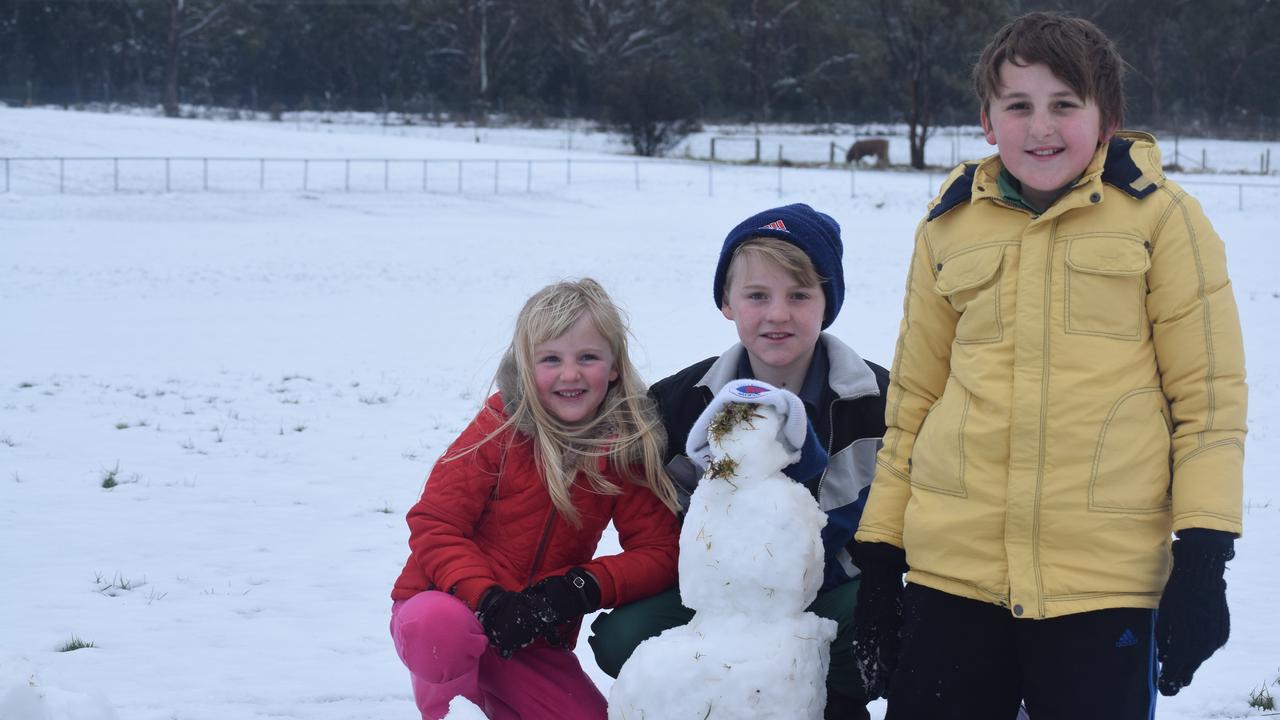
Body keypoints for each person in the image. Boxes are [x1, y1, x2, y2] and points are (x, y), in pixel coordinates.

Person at [851, 11, 1247, 720]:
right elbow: (913, 403)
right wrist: (881, 559)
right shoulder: (947, 225)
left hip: (1102, 583)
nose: (1041, 127)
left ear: (1107, 118)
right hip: (955, 575)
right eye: (1019, 105)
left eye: (1065, 104)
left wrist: (1203, 561)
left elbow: (1209, 404)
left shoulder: (1163, 219)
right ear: (986, 120)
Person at [588, 203, 891, 720]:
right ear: (726, 302)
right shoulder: (680, 402)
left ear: (828, 303)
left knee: (888, 636)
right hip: (723, 604)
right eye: (757, 296)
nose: (777, 314)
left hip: (836, 590)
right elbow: (620, 479)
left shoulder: (879, 400)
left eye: (799, 295)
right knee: (620, 638)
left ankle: (828, 703)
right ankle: (712, 701)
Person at [389, 278, 681, 720]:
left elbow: (660, 552)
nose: (570, 374)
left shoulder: (625, 447)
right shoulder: (499, 427)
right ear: (526, 366)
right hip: (451, 607)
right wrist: (486, 598)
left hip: (530, 633)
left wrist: (577, 588)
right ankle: (448, 702)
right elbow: (435, 523)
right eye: (551, 359)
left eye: (588, 357)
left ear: (615, 365)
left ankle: (498, 695)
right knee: (438, 629)